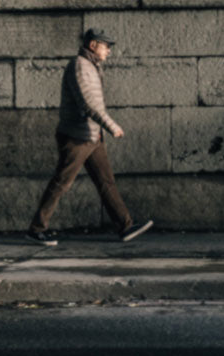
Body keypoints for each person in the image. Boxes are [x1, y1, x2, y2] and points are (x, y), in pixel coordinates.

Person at [26, 28, 153, 246]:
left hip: (92, 136)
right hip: (77, 137)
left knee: (106, 182)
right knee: (62, 183)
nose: (109, 51)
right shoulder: (80, 66)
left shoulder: (91, 66)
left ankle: (125, 227)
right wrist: (112, 126)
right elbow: (88, 104)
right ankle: (37, 229)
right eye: (106, 46)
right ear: (93, 45)